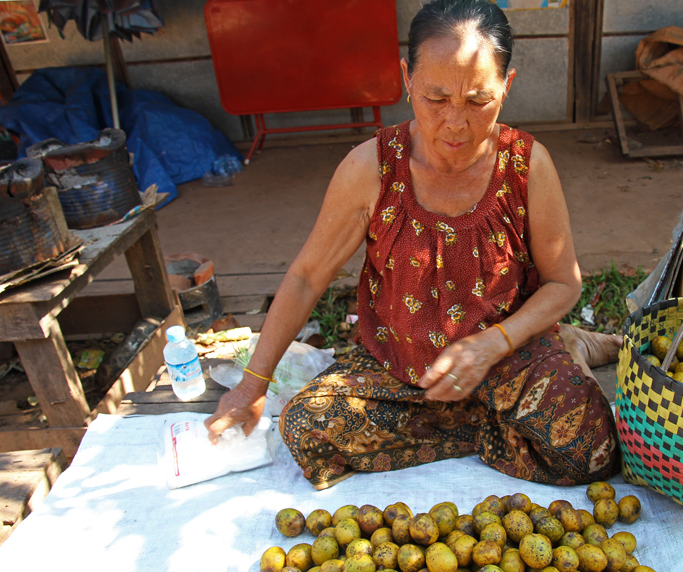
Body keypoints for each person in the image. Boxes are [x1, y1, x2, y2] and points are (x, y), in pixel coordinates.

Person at [205, 0, 622, 489]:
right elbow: (305, 277)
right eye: (436, 98)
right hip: (401, 369)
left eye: (478, 101)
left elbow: (563, 283)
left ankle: (556, 349)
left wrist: (493, 344)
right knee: (305, 426)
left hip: (509, 354)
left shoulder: (527, 165)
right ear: (407, 79)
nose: (455, 123)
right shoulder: (370, 169)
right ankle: (488, 423)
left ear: (507, 88)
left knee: (591, 447)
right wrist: (253, 384)